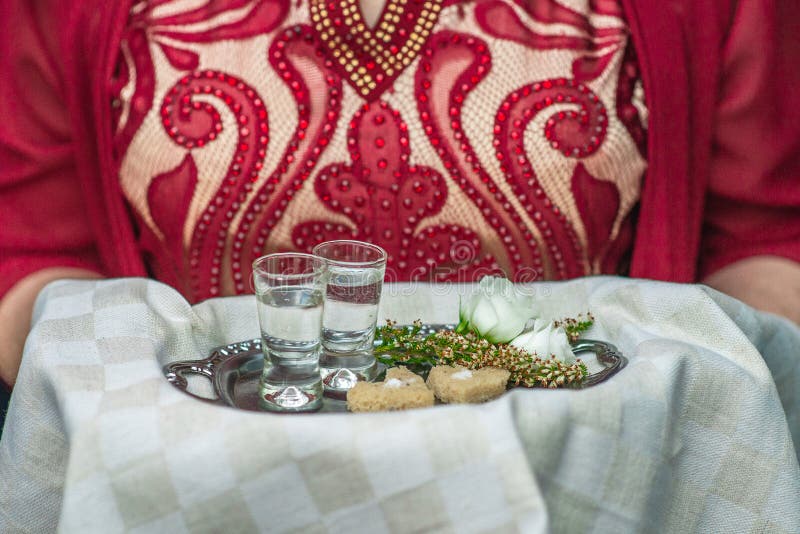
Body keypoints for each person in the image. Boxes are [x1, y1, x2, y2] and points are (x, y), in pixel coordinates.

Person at [1, 0, 799, 391]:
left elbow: (761, 245)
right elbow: (34, 257)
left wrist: (656, 396)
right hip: (202, 478)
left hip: (581, 480)